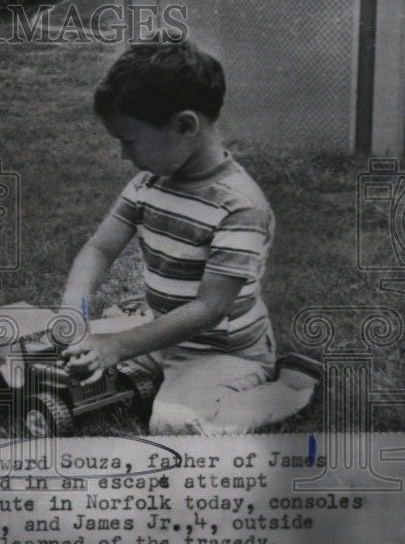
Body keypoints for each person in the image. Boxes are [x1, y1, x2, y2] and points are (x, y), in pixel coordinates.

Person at [61, 39, 321, 435]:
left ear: (185, 126)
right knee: (67, 355)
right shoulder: (148, 183)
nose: (122, 155)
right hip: (163, 335)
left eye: (129, 141)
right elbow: (98, 249)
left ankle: (290, 388)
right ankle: (157, 376)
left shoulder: (239, 206)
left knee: (173, 426)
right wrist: (73, 311)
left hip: (224, 351)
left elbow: (208, 309)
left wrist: (117, 346)